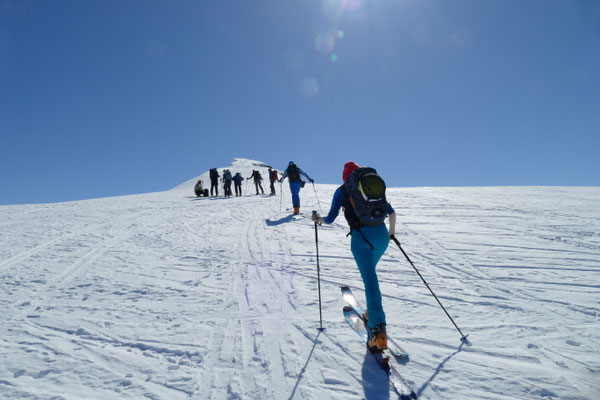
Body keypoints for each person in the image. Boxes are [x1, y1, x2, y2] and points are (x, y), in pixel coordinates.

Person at [311, 161, 396, 353]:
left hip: (361, 240)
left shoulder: (343, 190)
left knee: (371, 282)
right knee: (371, 276)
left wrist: (318, 220)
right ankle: (373, 315)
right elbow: (391, 212)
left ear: (345, 177)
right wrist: (391, 232)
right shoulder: (370, 189)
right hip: (382, 236)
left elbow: (331, 218)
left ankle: (378, 332)